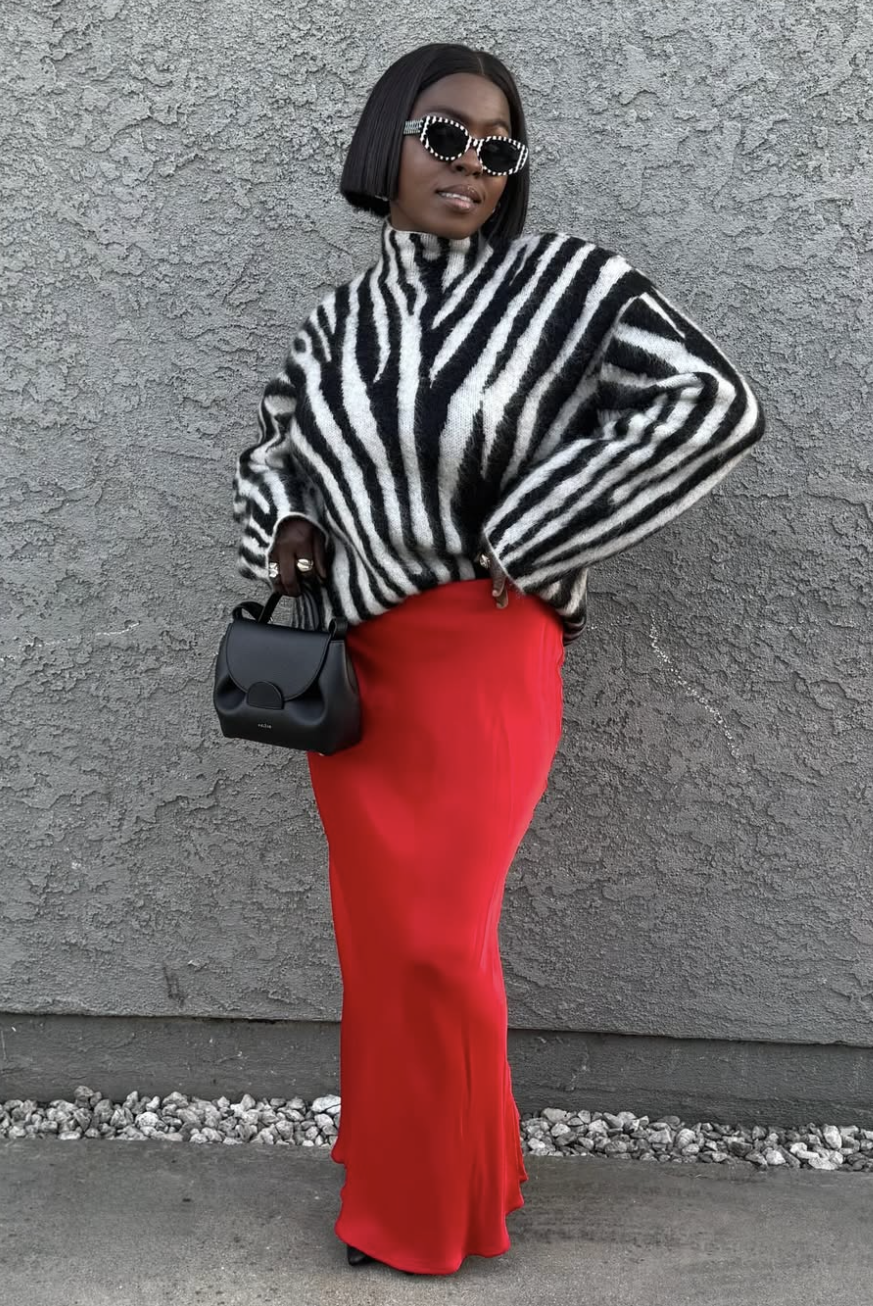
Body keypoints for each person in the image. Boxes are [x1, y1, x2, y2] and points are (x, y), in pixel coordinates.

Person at [231, 42, 765, 1277]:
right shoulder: (339, 318)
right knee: (383, 942)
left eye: (496, 148)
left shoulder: (572, 289)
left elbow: (711, 404)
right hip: (357, 671)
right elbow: (273, 450)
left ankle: (438, 1204)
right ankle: (418, 1184)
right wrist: (292, 526)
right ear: (388, 143)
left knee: (433, 936)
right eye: (443, 135)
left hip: (486, 659)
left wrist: (538, 527)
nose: (469, 165)